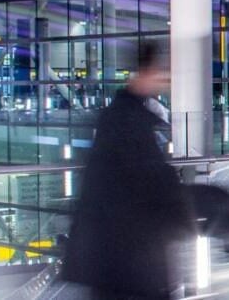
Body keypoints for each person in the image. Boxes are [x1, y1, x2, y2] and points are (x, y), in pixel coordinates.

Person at [62, 42, 196, 299]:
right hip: (128, 259)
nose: (165, 81)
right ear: (146, 72)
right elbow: (147, 182)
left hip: (118, 259)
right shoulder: (128, 121)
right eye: (162, 74)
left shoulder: (123, 116)